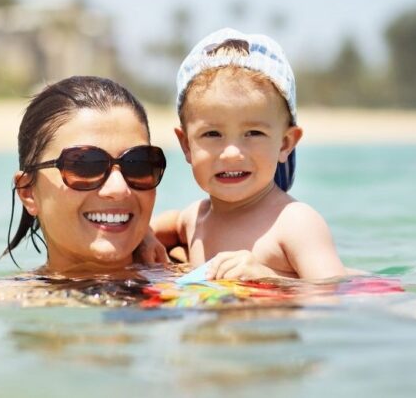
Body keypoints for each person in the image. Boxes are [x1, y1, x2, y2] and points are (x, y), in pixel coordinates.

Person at [148, 28, 347, 280]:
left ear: (285, 144)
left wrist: (270, 277)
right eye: (212, 134)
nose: (231, 153)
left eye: (253, 133)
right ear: (186, 145)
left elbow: (333, 294)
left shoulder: (295, 224)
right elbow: (172, 224)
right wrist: (144, 237)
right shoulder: (195, 218)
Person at [3, 75, 169, 276]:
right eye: (85, 165)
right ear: (28, 191)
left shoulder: (205, 270)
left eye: (138, 164)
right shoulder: (10, 303)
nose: (119, 189)